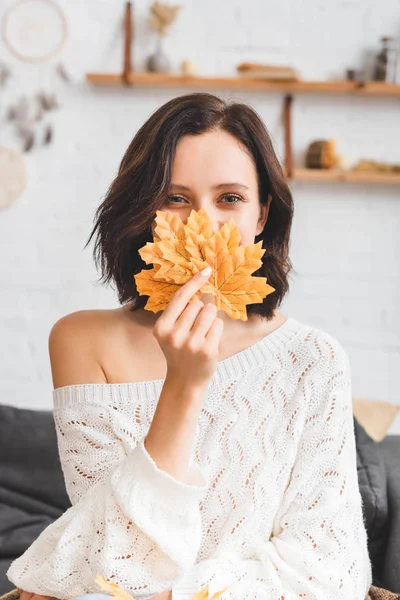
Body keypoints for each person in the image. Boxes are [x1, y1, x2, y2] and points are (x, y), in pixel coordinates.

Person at [7, 93, 372, 600]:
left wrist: (172, 595)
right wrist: (183, 384)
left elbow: (333, 572)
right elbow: (108, 559)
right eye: (176, 199)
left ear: (262, 215)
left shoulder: (314, 359)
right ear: (144, 211)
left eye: (230, 199)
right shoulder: (80, 340)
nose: (202, 225)